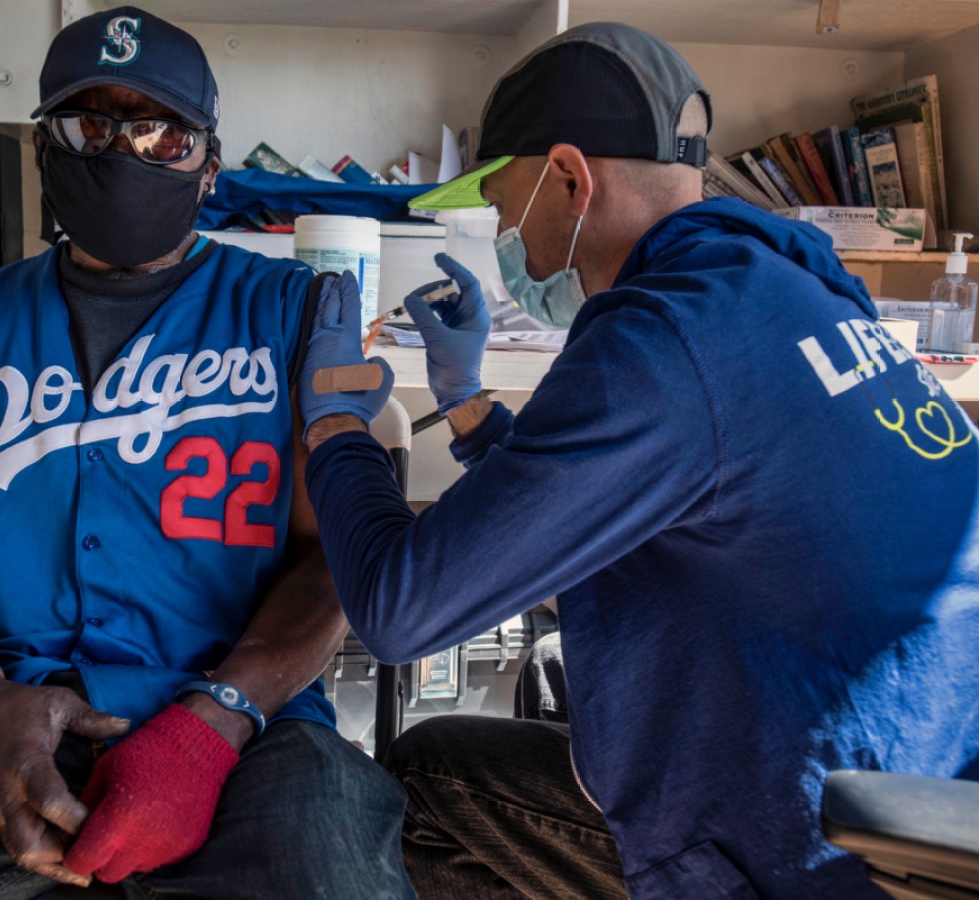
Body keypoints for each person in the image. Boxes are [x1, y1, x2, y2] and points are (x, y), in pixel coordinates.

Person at [295, 20, 979, 900]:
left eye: (505, 209)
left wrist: (338, 430)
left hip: (826, 838)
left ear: (572, 179)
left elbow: (397, 610)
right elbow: (600, 503)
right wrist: (467, 402)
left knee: (428, 776)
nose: (508, 243)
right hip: (928, 769)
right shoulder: (787, 283)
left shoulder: (664, 340)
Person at [0, 7, 414, 898]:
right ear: (43, 149)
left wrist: (211, 724)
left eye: (162, 132)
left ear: (208, 166)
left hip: (247, 727)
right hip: (3, 713)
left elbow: (331, 560)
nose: (124, 152)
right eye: (90, 124)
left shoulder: (295, 312)